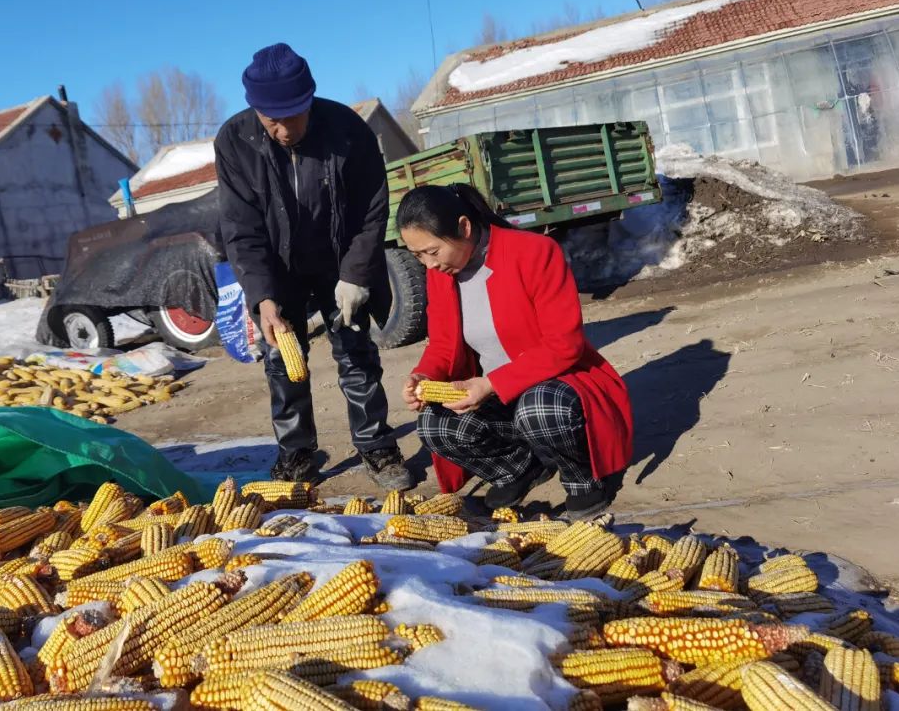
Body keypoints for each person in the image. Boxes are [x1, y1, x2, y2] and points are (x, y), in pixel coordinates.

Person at [215, 42, 411, 489]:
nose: (284, 130)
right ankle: (297, 454)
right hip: (275, 267)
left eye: (293, 116)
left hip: (340, 260)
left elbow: (371, 210)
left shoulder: (347, 130)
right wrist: (262, 297)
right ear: (255, 111)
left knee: (357, 355)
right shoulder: (234, 140)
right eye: (272, 121)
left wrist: (357, 275)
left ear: (310, 99)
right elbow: (240, 227)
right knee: (282, 363)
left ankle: (377, 448)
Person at [398, 183, 633, 519]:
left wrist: (490, 384)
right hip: (501, 392)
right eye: (417, 255)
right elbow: (443, 345)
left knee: (538, 408)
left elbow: (564, 345)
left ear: (464, 227)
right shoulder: (442, 276)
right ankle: (518, 470)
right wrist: (425, 376)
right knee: (435, 424)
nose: (428, 264)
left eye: (432, 252)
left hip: (559, 384)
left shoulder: (535, 252)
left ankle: (583, 481)